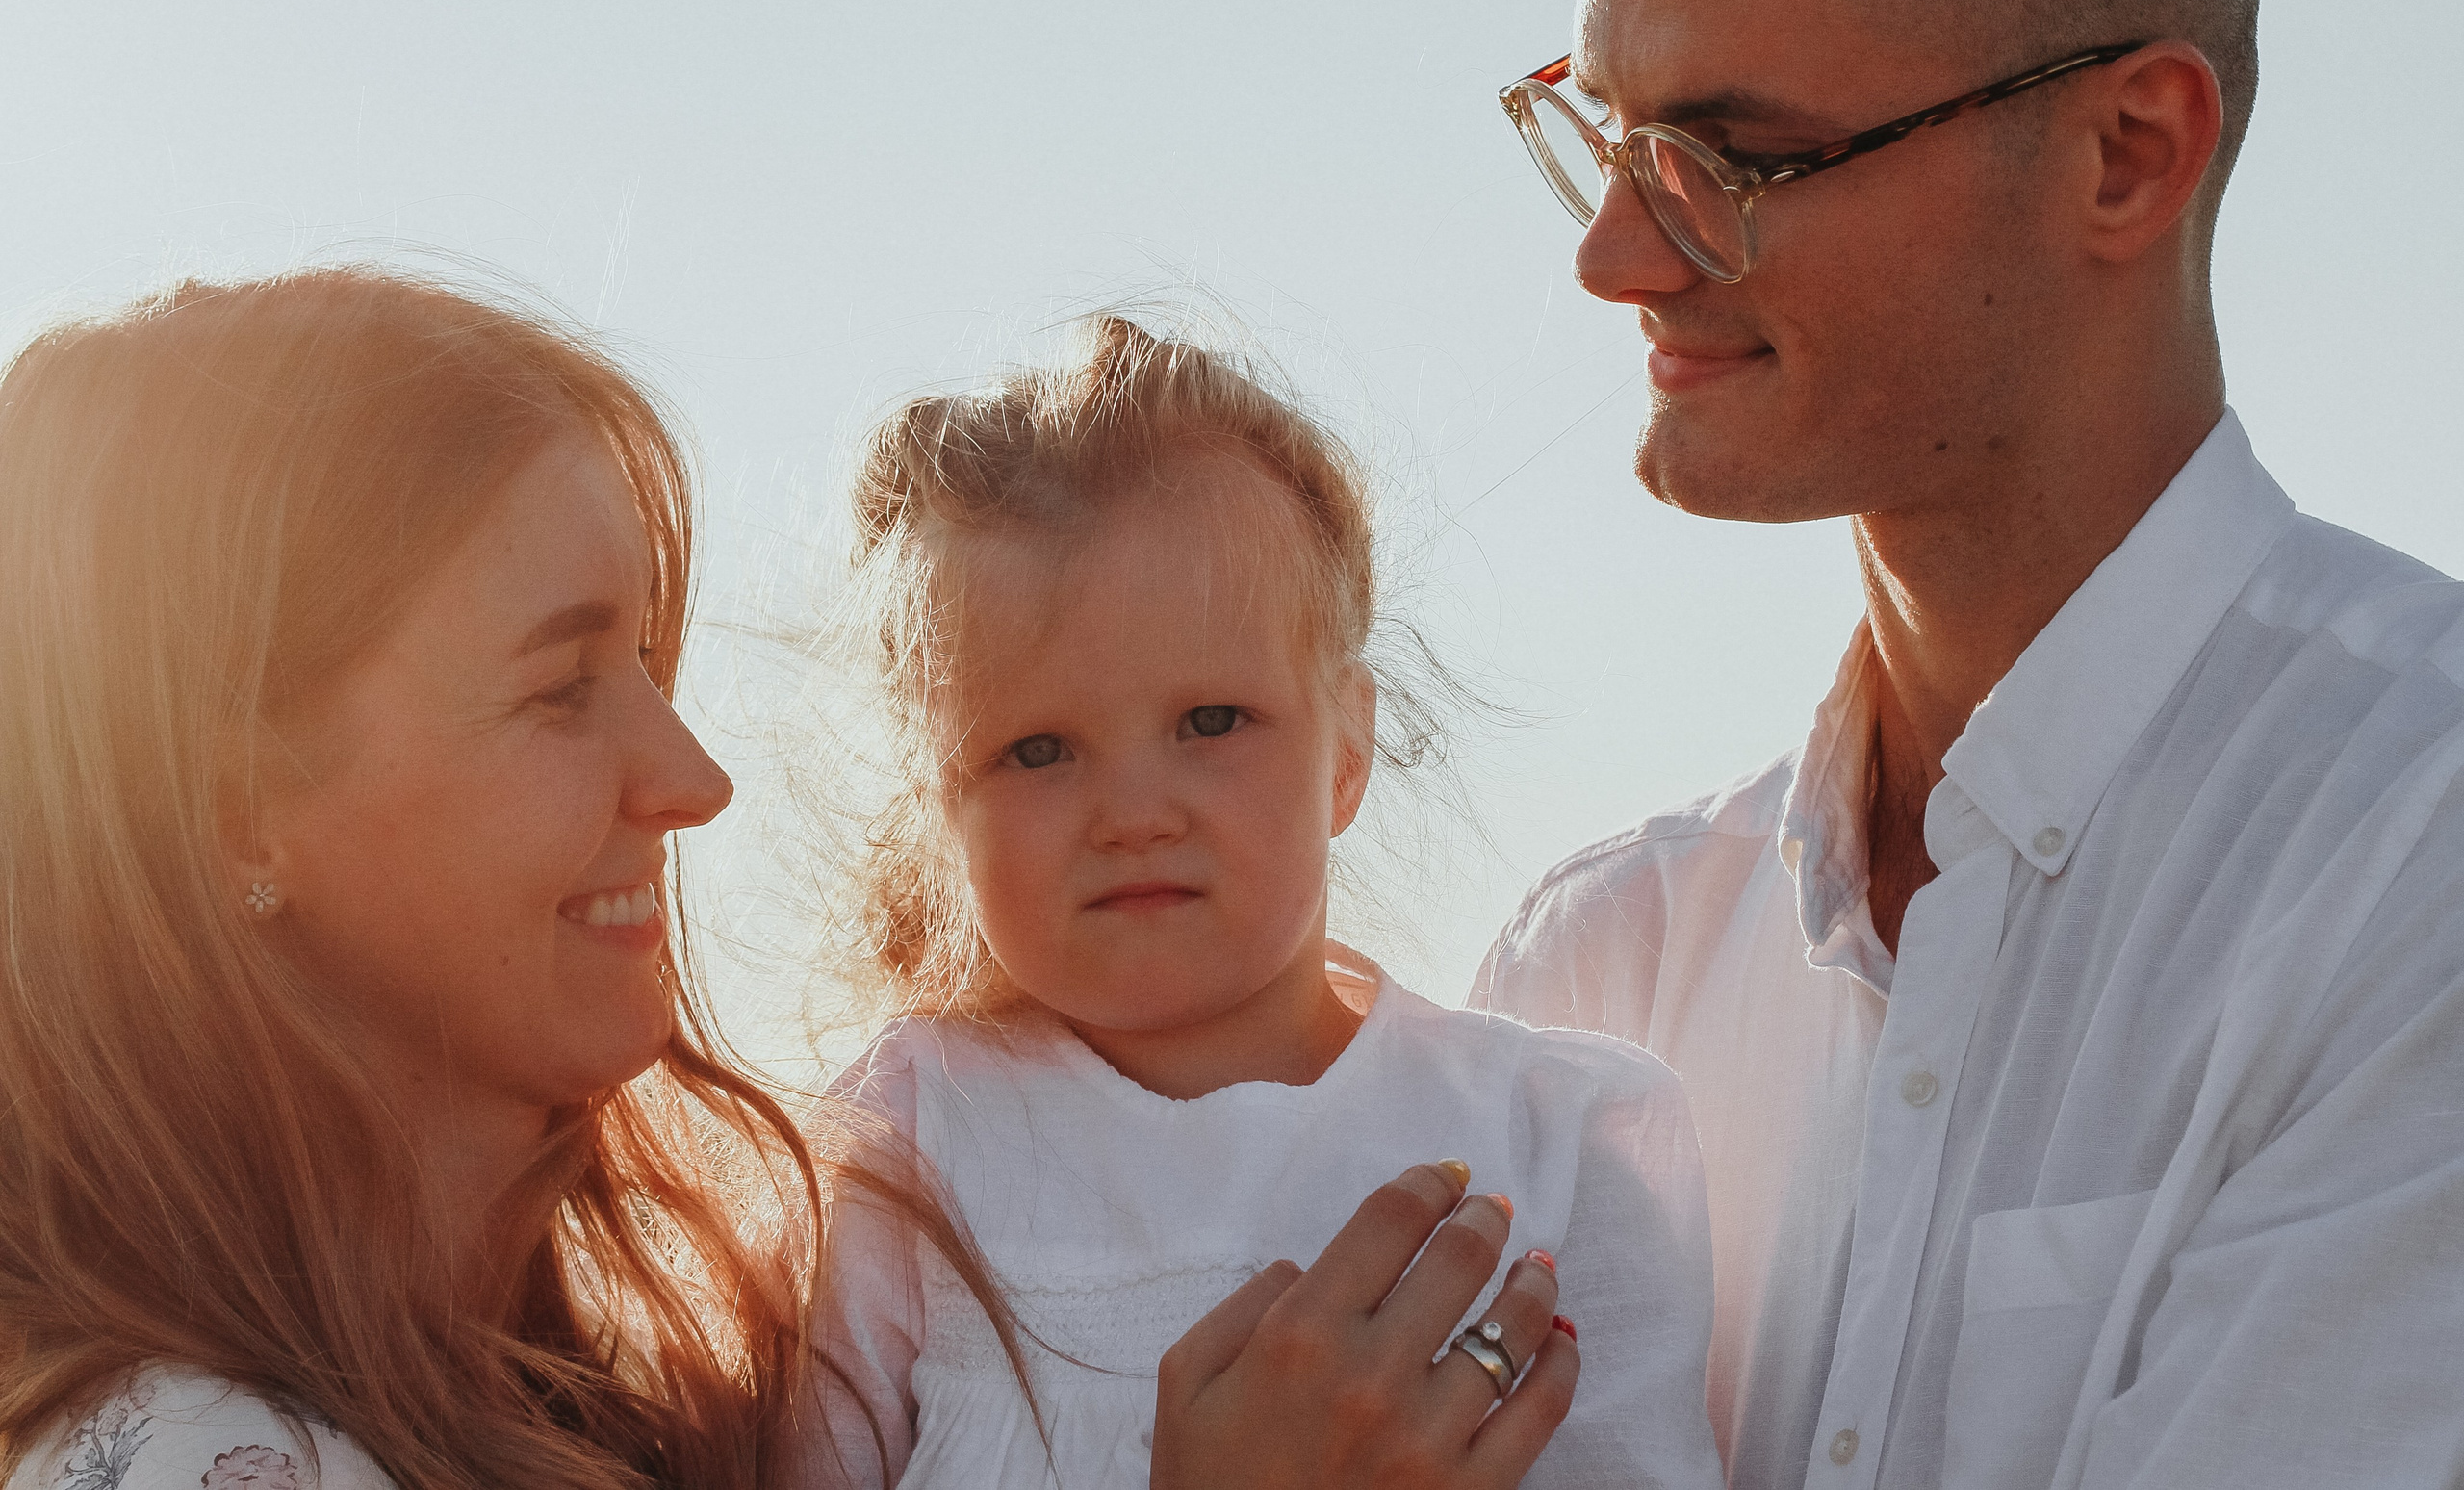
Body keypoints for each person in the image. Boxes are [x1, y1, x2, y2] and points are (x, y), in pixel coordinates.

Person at [0, 270, 1578, 1490]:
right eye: (561, 687)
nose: (694, 776)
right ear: (237, 812)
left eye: (651, 661)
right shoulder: (184, 1455)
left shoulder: (615, 1407)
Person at [1465, 0, 2464, 1486]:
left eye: (1729, 157)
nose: (1615, 256)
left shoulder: (2417, 854)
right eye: (1612, 136)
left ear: (2128, 155)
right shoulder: (1603, 969)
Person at [790, 317, 1724, 1490]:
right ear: (941, 798)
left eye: (1210, 722)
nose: (1133, 812)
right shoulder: (905, 1147)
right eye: (1036, 750)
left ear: (1347, 748)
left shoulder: (1555, 1139)